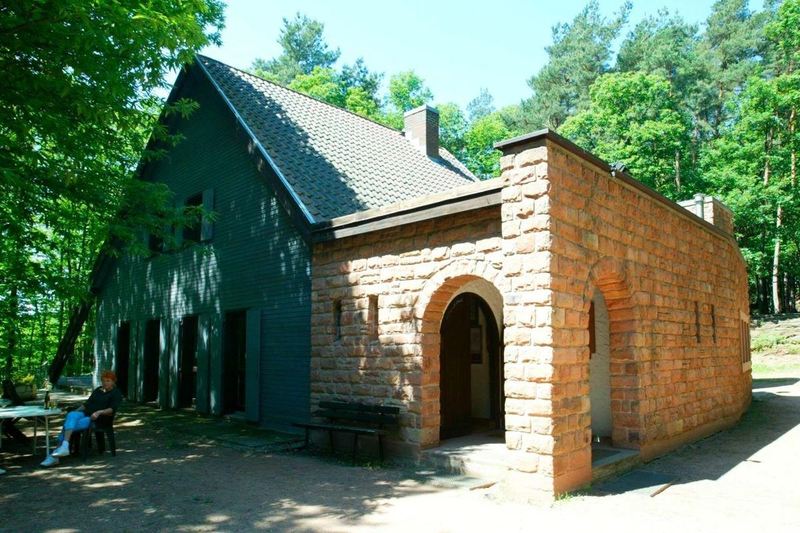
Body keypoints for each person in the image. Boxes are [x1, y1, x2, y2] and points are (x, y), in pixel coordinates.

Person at [41, 370, 122, 467]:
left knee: (67, 426)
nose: (105, 383)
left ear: (113, 381)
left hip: (98, 419)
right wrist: (75, 412)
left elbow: (112, 409)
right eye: (103, 380)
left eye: (108, 381)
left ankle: (55, 456)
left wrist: (99, 412)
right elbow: (86, 404)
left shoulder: (116, 393)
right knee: (71, 415)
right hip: (85, 413)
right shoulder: (98, 390)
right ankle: (64, 446)